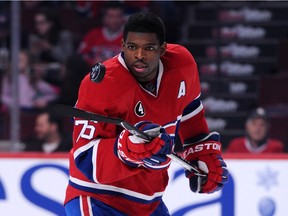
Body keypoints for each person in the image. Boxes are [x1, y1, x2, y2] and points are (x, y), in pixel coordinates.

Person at [64, 11, 229, 215]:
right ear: (122, 45)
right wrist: (127, 149)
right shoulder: (101, 84)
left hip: (149, 202)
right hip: (98, 198)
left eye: (149, 48)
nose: (140, 56)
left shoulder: (182, 65)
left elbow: (190, 112)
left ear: (163, 49)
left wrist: (200, 152)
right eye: (132, 47)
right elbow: (84, 158)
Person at [77, 1, 126, 66]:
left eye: (118, 16)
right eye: (111, 17)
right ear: (104, 18)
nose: (115, 21)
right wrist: (92, 61)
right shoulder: (93, 34)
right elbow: (81, 54)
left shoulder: (128, 37)